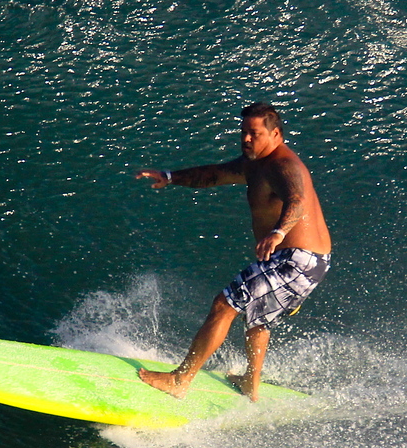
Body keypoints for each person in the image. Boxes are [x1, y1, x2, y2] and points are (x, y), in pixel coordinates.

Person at [134, 103, 332, 401]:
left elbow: (297, 199)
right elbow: (215, 174)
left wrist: (278, 232)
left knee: (224, 305)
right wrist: (171, 177)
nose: (246, 139)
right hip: (311, 261)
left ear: (275, 134)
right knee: (258, 317)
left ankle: (180, 380)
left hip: (296, 260)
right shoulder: (256, 163)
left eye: (254, 133)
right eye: (243, 133)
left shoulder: (283, 165)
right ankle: (250, 382)